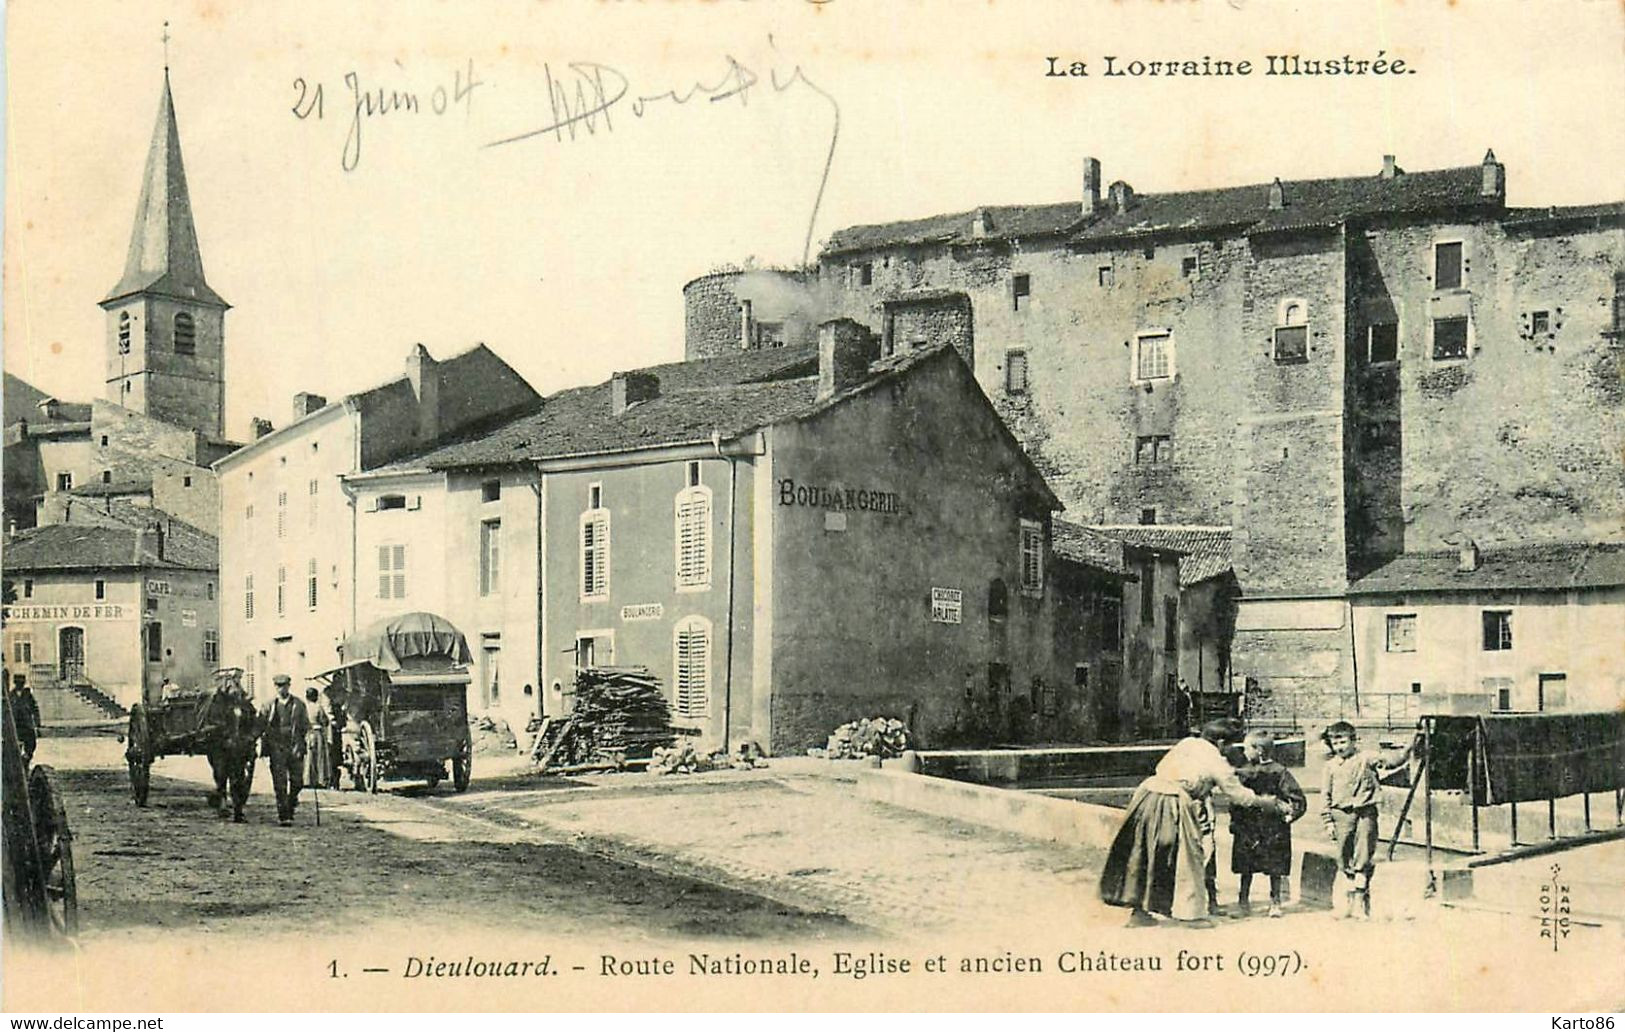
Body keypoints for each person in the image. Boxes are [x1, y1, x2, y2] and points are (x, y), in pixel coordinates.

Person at [1100, 717, 1292, 925]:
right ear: (1219, 743)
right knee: (1189, 857)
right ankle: (1192, 916)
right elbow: (1238, 795)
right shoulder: (1216, 760)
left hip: (1147, 795)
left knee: (1145, 854)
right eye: (1227, 745)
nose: (1228, 750)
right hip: (1173, 800)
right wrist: (1268, 802)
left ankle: (1139, 913)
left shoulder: (1187, 743)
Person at [1320, 720, 1416, 920]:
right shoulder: (1330, 766)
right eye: (1335, 743)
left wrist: (1410, 747)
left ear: (1354, 741)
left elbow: (1392, 761)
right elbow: (1325, 796)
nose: (1339, 747)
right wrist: (1328, 820)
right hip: (1341, 815)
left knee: (1363, 854)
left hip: (1365, 812)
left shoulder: (1366, 758)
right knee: (1343, 856)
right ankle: (1345, 902)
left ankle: (1359, 903)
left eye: (1343, 742)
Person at [1231, 729, 1307, 918]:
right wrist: (1235, 821)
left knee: (1275, 866)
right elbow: (1235, 799)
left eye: (1247, 748)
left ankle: (1275, 902)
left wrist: (1291, 815)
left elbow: (1297, 798)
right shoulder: (1243, 772)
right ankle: (1243, 902)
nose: (1244, 752)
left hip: (1272, 827)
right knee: (1246, 866)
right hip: (1248, 827)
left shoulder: (1279, 772)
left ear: (1258, 750)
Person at [258, 674, 309, 826]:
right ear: (275, 687)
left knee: (297, 782)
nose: (282, 689)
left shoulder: (299, 704)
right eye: (279, 686)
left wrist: (305, 740)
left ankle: (292, 801)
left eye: (284, 686)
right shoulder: (268, 705)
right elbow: (260, 725)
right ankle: (284, 815)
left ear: (289, 686)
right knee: (280, 783)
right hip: (276, 748)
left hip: (294, 746)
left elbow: (305, 725)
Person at [304, 686, 335, 792]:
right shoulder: (318, 707)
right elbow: (325, 721)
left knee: (308, 756)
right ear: (316, 697)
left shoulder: (304, 707)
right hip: (317, 733)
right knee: (320, 757)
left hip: (307, 733)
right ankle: (320, 780)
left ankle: (307, 780)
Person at [10, 676, 41, 766]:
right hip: (15, 725)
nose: (20, 684)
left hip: (27, 725)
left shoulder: (28, 695)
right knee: (14, 748)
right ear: (15, 683)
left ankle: (26, 761)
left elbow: (35, 709)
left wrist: (37, 723)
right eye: (18, 682)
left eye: (22, 683)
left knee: (31, 744)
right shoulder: (11, 695)